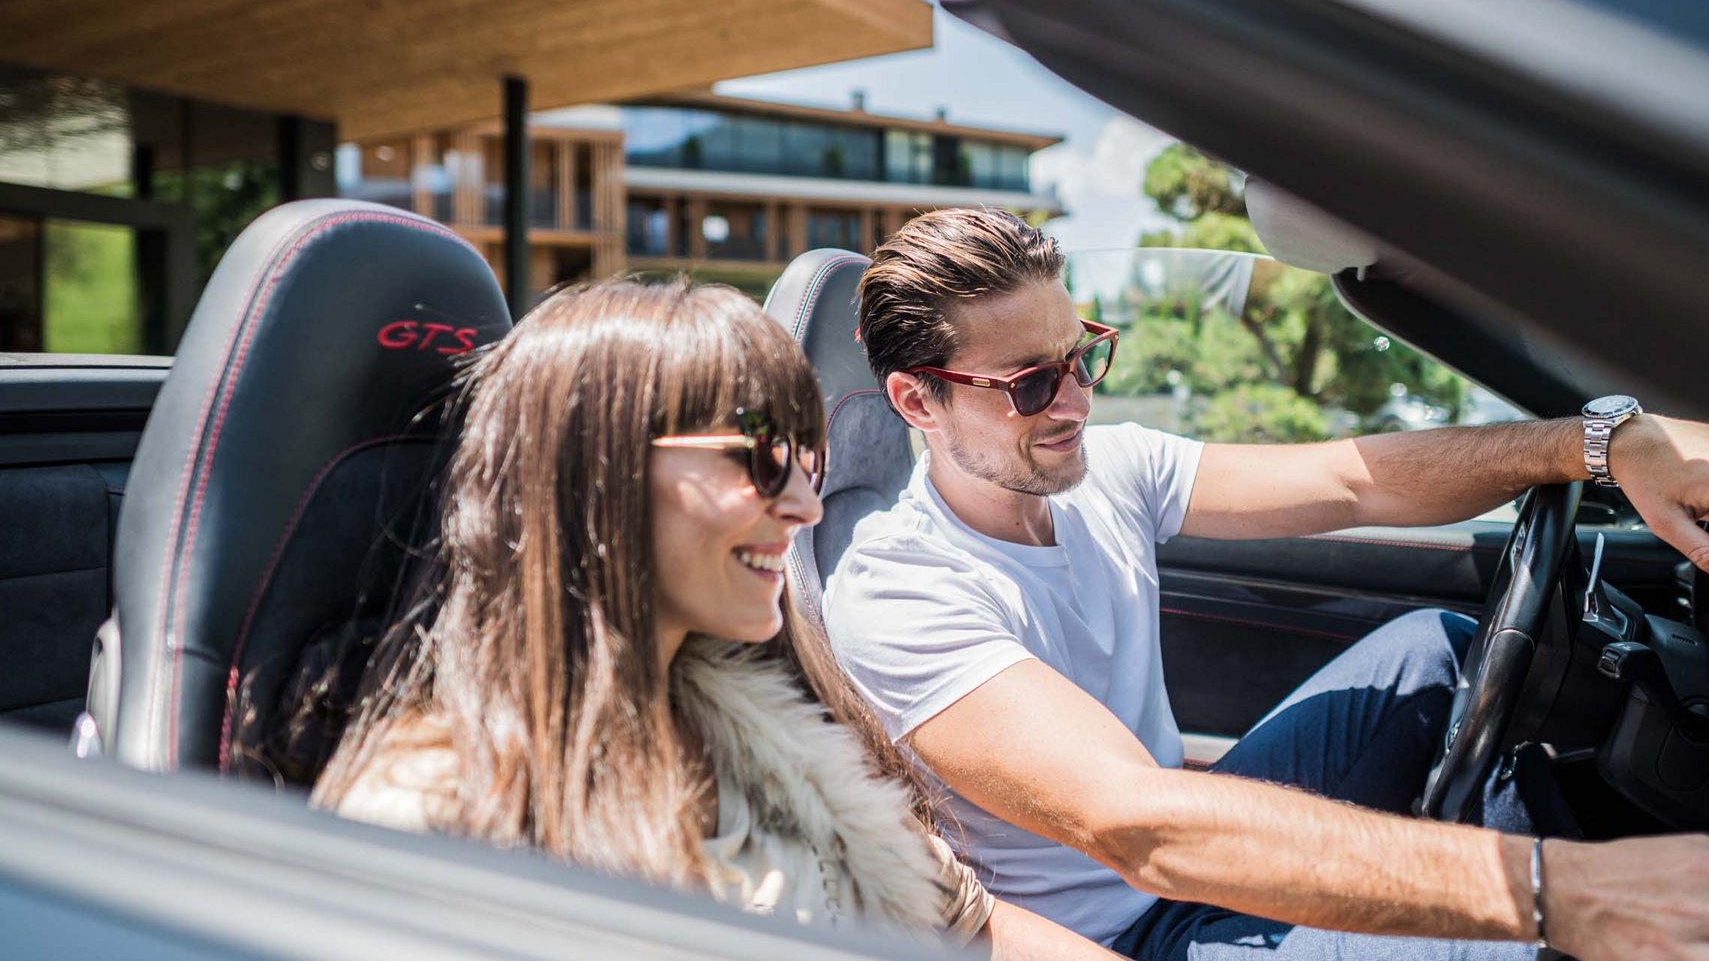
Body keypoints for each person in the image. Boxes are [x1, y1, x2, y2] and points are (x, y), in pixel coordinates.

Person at [822, 208, 1709, 961]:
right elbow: (1140, 825)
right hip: (1133, 932)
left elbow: (1354, 480)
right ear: (919, 402)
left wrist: (1598, 442)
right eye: (1030, 384)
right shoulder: (901, 596)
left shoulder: (1107, 470)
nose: (1075, 402)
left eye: (1084, 354)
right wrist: (1547, 893)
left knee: (1436, 652)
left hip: (1179, 873)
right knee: (1517, 925)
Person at [310, 278, 1115, 956]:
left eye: (809, 461)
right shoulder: (442, 811)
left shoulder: (788, 735)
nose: (804, 507)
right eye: (760, 458)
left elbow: (973, 928)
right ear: (601, 475)